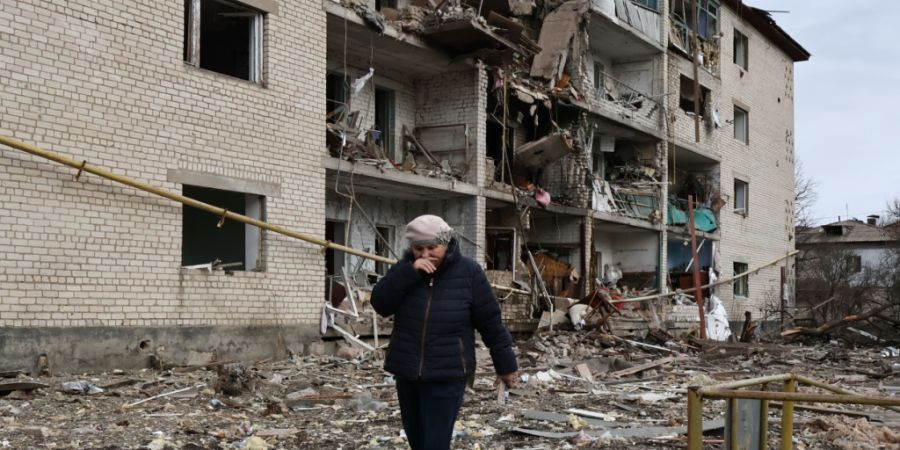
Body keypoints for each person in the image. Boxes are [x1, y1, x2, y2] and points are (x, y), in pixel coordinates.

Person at [371, 214, 518, 450]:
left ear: (447, 244)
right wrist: (409, 272)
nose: (426, 254)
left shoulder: (469, 273)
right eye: (419, 248)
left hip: (447, 374)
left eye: (432, 247)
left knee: (435, 443)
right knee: (417, 441)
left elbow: (491, 323)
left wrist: (506, 366)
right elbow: (381, 303)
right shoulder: (405, 270)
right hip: (407, 372)